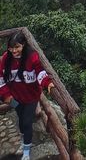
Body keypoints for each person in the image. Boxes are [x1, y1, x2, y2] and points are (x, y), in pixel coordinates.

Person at [0, 30, 55, 159]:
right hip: (14, 97)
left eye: (17, 47)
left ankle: (26, 150)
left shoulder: (32, 57)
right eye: (11, 48)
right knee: (20, 118)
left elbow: (40, 72)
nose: (14, 51)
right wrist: (6, 96)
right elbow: (1, 79)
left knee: (26, 122)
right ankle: (25, 138)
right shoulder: (6, 59)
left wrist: (48, 84)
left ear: (23, 45)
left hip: (31, 97)